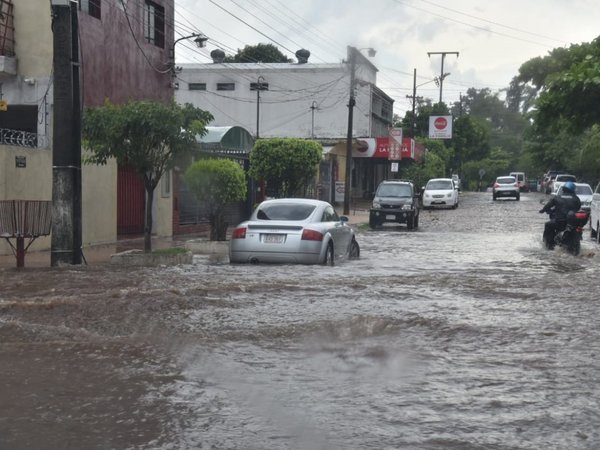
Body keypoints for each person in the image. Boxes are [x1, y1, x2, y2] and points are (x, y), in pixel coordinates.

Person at [539, 181, 581, 249]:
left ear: (563, 189)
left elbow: (548, 206)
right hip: (572, 223)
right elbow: (578, 208)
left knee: (548, 225)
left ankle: (548, 245)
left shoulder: (557, 197)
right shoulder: (576, 198)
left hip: (559, 222)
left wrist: (542, 210)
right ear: (573, 190)